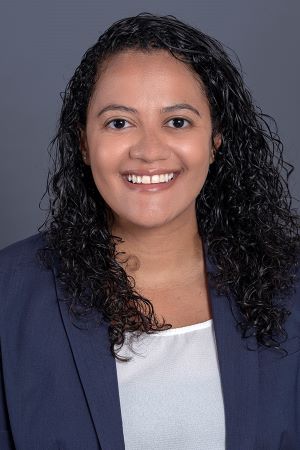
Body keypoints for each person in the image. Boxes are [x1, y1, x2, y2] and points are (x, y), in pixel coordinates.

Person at [0, 12, 299, 450]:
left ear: (215, 140)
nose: (149, 151)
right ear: (84, 143)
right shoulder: (9, 295)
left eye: (177, 121)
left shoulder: (291, 284)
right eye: (119, 122)